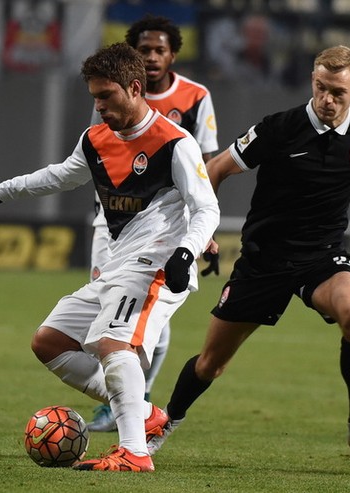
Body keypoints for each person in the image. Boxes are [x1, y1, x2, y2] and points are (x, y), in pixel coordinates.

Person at [148, 45, 350, 468]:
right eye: (320, 87)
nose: (327, 99)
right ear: (312, 82)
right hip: (264, 260)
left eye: (338, 91)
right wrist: (201, 229)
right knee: (211, 363)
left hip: (322, 258)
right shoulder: (279, 128)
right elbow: (215, 170)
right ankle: (166, 423)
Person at [0, 42, 220, 472]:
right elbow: (59, 176)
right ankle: (141, 412)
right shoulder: (95, 140)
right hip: (119, 266)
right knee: (49, 342)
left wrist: (185, 252)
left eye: (106, 95)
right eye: (94, 97)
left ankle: (135, 452)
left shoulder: (175, 143)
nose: (99, 105)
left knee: (110, 343)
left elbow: (207, 207)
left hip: (157, 265)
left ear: (134, 88)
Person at [87, 14, 220, 433]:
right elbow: (96, 156)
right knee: (105, 319)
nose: (151, 56)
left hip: (164, 228)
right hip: (110, 227)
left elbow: (209, 166)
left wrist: (204, 234)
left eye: (159, 50)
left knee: (147, 327)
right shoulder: (111, 97)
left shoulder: (195, 97)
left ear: (172, 54)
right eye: (143, 50)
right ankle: (126, 402)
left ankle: (133, 404)